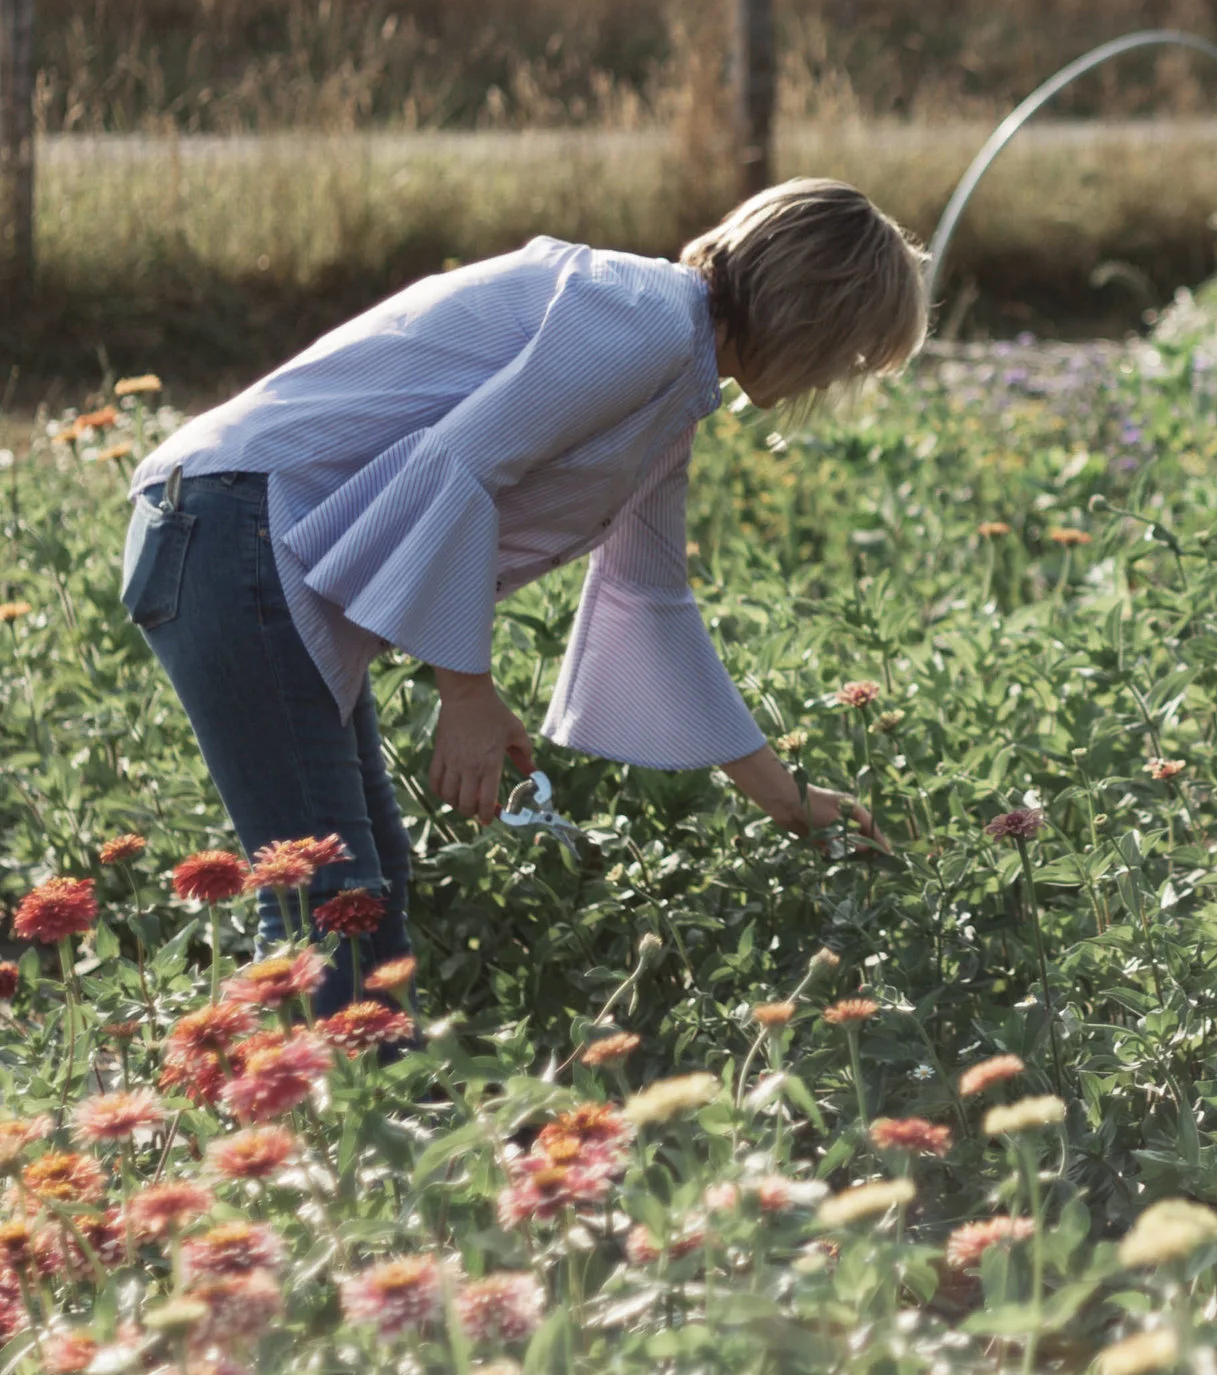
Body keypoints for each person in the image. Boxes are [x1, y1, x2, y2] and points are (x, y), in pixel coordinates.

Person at [120, 180, 927, 1005]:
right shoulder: (641, 321)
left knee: (359, 888)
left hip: (238, 532)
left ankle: (301, 1111)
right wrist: (466, 693)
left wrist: (786, 801)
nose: (841, 378)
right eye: (855, 352)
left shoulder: (670, 366)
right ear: (815, 315)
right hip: (232, 527)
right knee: (331, 898)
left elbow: (649, 599)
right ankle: (294, 1119)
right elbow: (455, 468)